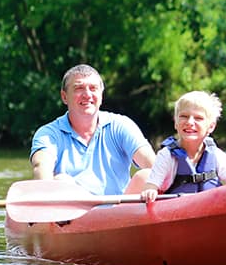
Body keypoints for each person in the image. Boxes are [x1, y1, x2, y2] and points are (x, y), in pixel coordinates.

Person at [30, 64, 156, 195]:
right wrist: (44, 194)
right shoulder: (48, 134)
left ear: (101, 96)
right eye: (79, 88)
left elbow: (152, 163)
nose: (87, 95)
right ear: (64, 97)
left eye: (93, 88)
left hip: (120, 211)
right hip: (72, 210)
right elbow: (42, 167)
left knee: (147, 176)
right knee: (61, 180)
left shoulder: (121, 125)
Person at [141, 90, 226, 203]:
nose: (190, 122)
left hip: (211, 208)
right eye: (184, 116)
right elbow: (151, 186)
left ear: (211, 127)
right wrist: (150, 192)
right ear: (175, 123)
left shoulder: (217, 155)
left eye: (198, 118)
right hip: (175, 211)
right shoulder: (166, 156)